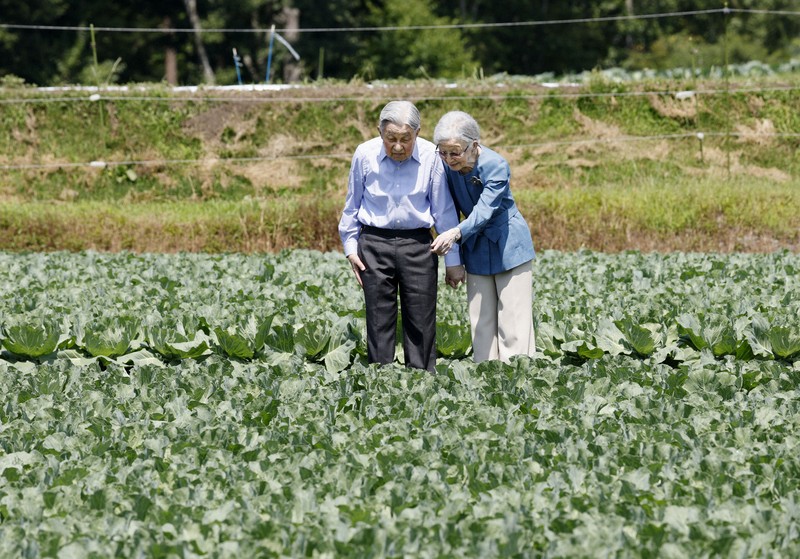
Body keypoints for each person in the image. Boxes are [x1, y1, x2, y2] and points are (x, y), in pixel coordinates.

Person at [338, 101, 465, 372]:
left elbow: (443, 211)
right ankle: (380, 384)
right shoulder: (364, 154)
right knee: (378, 319)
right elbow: (352, 205)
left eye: (405, 139)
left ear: (417, 133)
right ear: (379, 132)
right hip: (373, 243)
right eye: (391, 138)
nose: (398, 146)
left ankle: (420, 383)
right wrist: (351, 249)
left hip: (418, 244)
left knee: (421, 320)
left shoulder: (432, 155)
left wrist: (453, 261)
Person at [430, 110, 536, 363]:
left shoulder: (496, 165)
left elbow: (484, 211)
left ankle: (518, 377)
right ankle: (485, 378)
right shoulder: (445, 167)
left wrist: (455, 233)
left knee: (513, 318)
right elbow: (445, 207)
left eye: (454, 152)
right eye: (442, 152)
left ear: (474, 146)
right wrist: (453, 260)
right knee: (480, 319)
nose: (448, 159)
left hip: (508, 242)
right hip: (474, 244)